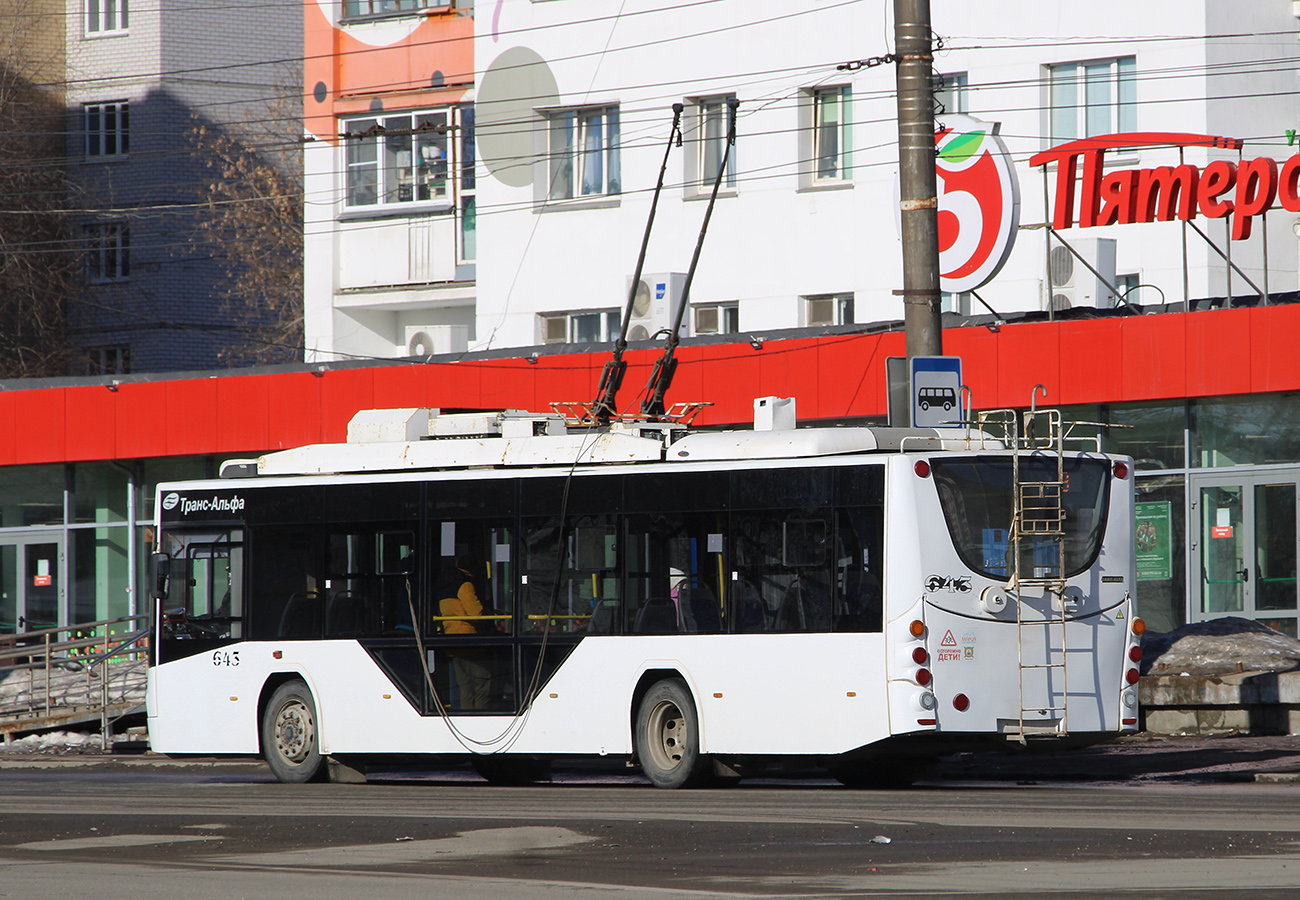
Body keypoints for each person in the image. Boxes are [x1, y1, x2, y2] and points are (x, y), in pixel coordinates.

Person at [435, 557, 491, 709]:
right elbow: (475, 613)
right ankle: (480, 715)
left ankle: (466, 715)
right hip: (468, 639)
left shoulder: (443, 586)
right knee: (482, 681)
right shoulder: (464, 584)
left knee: (465, 687)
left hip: (451, 640)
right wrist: (488, 615)